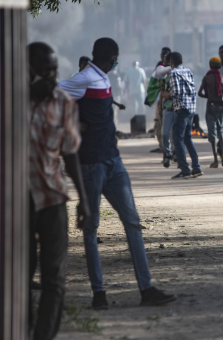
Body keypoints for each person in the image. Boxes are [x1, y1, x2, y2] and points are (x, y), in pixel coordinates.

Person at [59, 38, 176, 308]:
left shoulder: (101, 78)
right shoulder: (85, 77)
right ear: (113, 57)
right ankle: (99, 294)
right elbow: (53, 94)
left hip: (113, 161)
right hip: (91, 163)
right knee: (91, 228)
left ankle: (146, 290)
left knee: (132, 222)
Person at [28, 42, 91, 340]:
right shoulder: (6, 102)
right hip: (17, 202)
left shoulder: (63, 102)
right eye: (43, 70)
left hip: (52, 198)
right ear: (26, 71)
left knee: (55, 278)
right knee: (19, 276)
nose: (51, 76)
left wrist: (84, 200)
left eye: (54, 70)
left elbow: (71, 153)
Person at [162, 51, 203, 179]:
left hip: (181, 109)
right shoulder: (188, 71)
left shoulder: (173, 73)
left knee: (177, 139)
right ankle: (196, 167)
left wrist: (166, 95)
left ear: (171, 62)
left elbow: (176, 92)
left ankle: (185, 169)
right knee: (187, 138)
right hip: (190, 109)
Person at [198, 57, 223, 168]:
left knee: (212, 132)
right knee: (221, 132)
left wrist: (207, 96)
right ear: (219, 66)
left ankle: (215, 160)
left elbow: (199, 93)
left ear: (210, 65)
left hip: (211, 106)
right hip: (221, 106)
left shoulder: (207, 77)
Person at [150, 47, 172, 154]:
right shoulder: (158, 67)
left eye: (166, 54)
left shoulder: (173, 68)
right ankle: (161, 146)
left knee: (169, 126)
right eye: (163, 54)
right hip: (159, 100)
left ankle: (171, 149)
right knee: (158, 123)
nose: (164, 56)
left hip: (169, 101)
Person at [160, 52, 176, 168]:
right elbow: (162, 92)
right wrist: (161, 106)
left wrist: (169, 94)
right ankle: (168, 154)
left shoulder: (179, 74)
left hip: (178, 108)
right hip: (167, 108)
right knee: (164, 134)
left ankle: (175, 155)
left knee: (176, 135)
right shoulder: (164, 76)